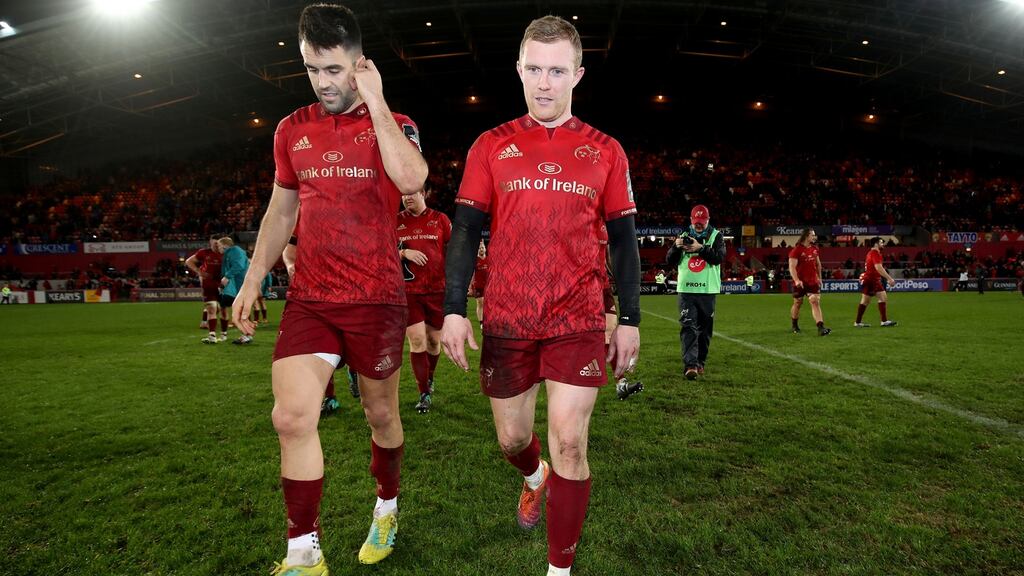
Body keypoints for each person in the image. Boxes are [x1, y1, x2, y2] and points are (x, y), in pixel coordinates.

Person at [228, 4, 428, 574]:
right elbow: (281, 209)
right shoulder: (292, 129)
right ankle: (302, 551)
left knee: (381, 418)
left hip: (377, 299)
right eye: (313, 69)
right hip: (313, 298)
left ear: (359, 64)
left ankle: (386, 507)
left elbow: (413, 180)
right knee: (290, 418)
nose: (324, 82)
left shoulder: (395, 123)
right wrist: (252, 278)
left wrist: (378, 99)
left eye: (335, 70)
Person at [441, 16, 641, 576]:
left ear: (577, 74)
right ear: (520, 70)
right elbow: (463, 232)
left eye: (557, 71)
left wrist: (629, 318)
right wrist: (454, 309)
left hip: (577, 315)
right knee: (513, 437)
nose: (544, 83)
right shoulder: (492, 145)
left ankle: (559, 570)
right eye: (534, 69)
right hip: (507, 316)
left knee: (571, 443)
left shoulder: (605, 150)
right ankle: (534, 476)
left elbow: (624, 243)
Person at [282, 232, 359, 415]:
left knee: (351, 344)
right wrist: (291, 264)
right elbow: (289, 249)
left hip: (351, 291)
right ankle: (330, 398)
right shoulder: (304, 214)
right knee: (320, 349)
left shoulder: (356, 214)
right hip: (315, 294)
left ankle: (354, 368)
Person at [397, 188, 451, 414]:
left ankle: (429, 378)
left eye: (412, 193)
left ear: (424, 193)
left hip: (438, 291)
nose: (407, 197)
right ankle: (424, 393)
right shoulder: (395, 221)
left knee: (433, 342)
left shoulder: (440, 220)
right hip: (410, 291)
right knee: (417, 340)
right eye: (403, 194)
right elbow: (381, 251)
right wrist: (403, 254)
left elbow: (452, 250)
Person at [666, 204, 726, 380]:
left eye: (702, 221)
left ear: (707, 220)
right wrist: (676, 247)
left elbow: (718, 258)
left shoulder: (717, 236)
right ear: (691, 220)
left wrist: (700, 248)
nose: (699, 224)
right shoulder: (683, 236)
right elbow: (670, 260)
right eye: (696, 221)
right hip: (686, 291)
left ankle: (700, 362)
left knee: (705, 330)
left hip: (707, 291)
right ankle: (690, 365)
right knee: (688, 326)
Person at [788, 228, 831, 336]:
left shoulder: (815, 249)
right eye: (813, 235)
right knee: (798, 303)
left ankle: (820, 327)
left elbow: (818, 264)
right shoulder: (796, 250)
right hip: (800, 282)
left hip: (813, 281)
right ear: (807, 236)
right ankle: (794, 324)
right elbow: (792, 267)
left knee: (814, 301)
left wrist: (820, 278)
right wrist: (797, 280)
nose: (814, 237)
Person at [186, 235, 227, 344]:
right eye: (213, 244)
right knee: (212, 308)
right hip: (208, 284)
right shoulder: (204, 252)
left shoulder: (226, 253)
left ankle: (224, 334)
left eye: (217, 244)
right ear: (210, 242)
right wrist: (198, 271)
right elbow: (188, 261)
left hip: (223, 284)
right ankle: (212, 335)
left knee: (222, 310)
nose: (215, 246)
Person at [854, 236, 898, 327]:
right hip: (871, 280)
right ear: (876, 244)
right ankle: (858, 322)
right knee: (866, 301)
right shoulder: (875, 253)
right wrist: (889, 278)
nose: (883, 244)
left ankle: (883, 321)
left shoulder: (872, 253)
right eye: (881, 242)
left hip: (873, 280)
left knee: (882, 297)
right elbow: (878, 267)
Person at [216, 237, 252, 344]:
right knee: (239, 308)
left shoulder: (235, 251)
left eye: (218, 245)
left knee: (241, 309)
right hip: (237, 285)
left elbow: (239, 266)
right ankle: (246, 335)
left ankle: (247, 335)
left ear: (224, 245)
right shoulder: (232, 252)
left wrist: (227, 276)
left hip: (241, 284)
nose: (218, 248)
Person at [468, 240, 489, 326]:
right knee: (480, 303)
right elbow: (471, 274)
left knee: (487, 304)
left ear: (485, 249)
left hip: (488, 285)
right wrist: (469, 287)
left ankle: (487, 320)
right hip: (478, 285)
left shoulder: (489, 259)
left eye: (482, 248)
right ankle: (481, 323)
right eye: (479, 248)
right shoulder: (475, 261)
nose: (481, 249)